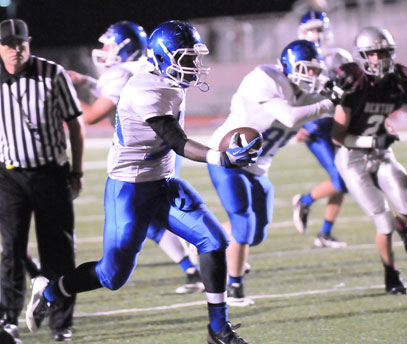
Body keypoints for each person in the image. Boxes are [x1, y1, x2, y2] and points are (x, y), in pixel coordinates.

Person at [25, 20, 257, 343]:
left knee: (214, 241)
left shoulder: (163, 73)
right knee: (112, 275)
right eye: (186, 58)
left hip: (162, 183)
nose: (194, 66)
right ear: (162, 58)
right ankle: (50, 292)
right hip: (129, 190)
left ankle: (218, 330)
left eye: (194, 58)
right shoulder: (145, 88)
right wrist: (222, 157)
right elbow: (177, 141)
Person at [69, 20, 204, 294]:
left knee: (143, 225)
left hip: (146, 161)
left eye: (108, 43)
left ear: (124, 47)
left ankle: (193, 265)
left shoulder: (121, 74)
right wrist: (86, 82)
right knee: (152, 222)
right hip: (160, 151)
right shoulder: (144, 66)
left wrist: (64, 95)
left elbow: (92, 115)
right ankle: (191, 270)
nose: (103, 49)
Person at [208, 39, 336, 306]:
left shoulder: (309, 94)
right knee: (243, 223)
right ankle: (234, 287)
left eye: (315, 70)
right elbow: (289, 117)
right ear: (289, 65)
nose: (312, 75)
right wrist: (328, 103)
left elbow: (332, 110)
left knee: (256, 234)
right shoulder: (264, 78)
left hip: (259, 167)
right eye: (306, 69)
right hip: (229, 158)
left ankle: (205, 237)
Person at [0, 18, 84, 343]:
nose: (15, 52)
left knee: (59, 253)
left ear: (29, 43)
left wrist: (76, 172)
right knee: (12, 251)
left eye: (20, 45)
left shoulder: (52, 74)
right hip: (9, 176)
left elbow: (75, 126)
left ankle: (61, 324)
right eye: (8, 45)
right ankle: (8, 321)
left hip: (51, 173)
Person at [331, 26, 407, 294]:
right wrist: (371, 141)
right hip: (353, 156)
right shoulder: (353, 84)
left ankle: (404, 226)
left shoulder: (398, 82)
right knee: (383, 219)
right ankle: (391, 273)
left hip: (381, 153)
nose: (379, 59)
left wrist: (379, 142)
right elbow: (337, 136)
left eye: (384, 52)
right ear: (362, 56)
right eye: (373, 53)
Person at [292, 10, 350, 248]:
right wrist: (294, 125)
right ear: (302, 33)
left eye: (319, 29)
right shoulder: (296, 57)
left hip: (338, 122)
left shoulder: (340, 58)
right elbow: (288, 96)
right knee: (342, 180)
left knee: (345, 176)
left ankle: (325, 233)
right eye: (311, 30)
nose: (316, 34)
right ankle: (304, 201)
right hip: (314, 125)